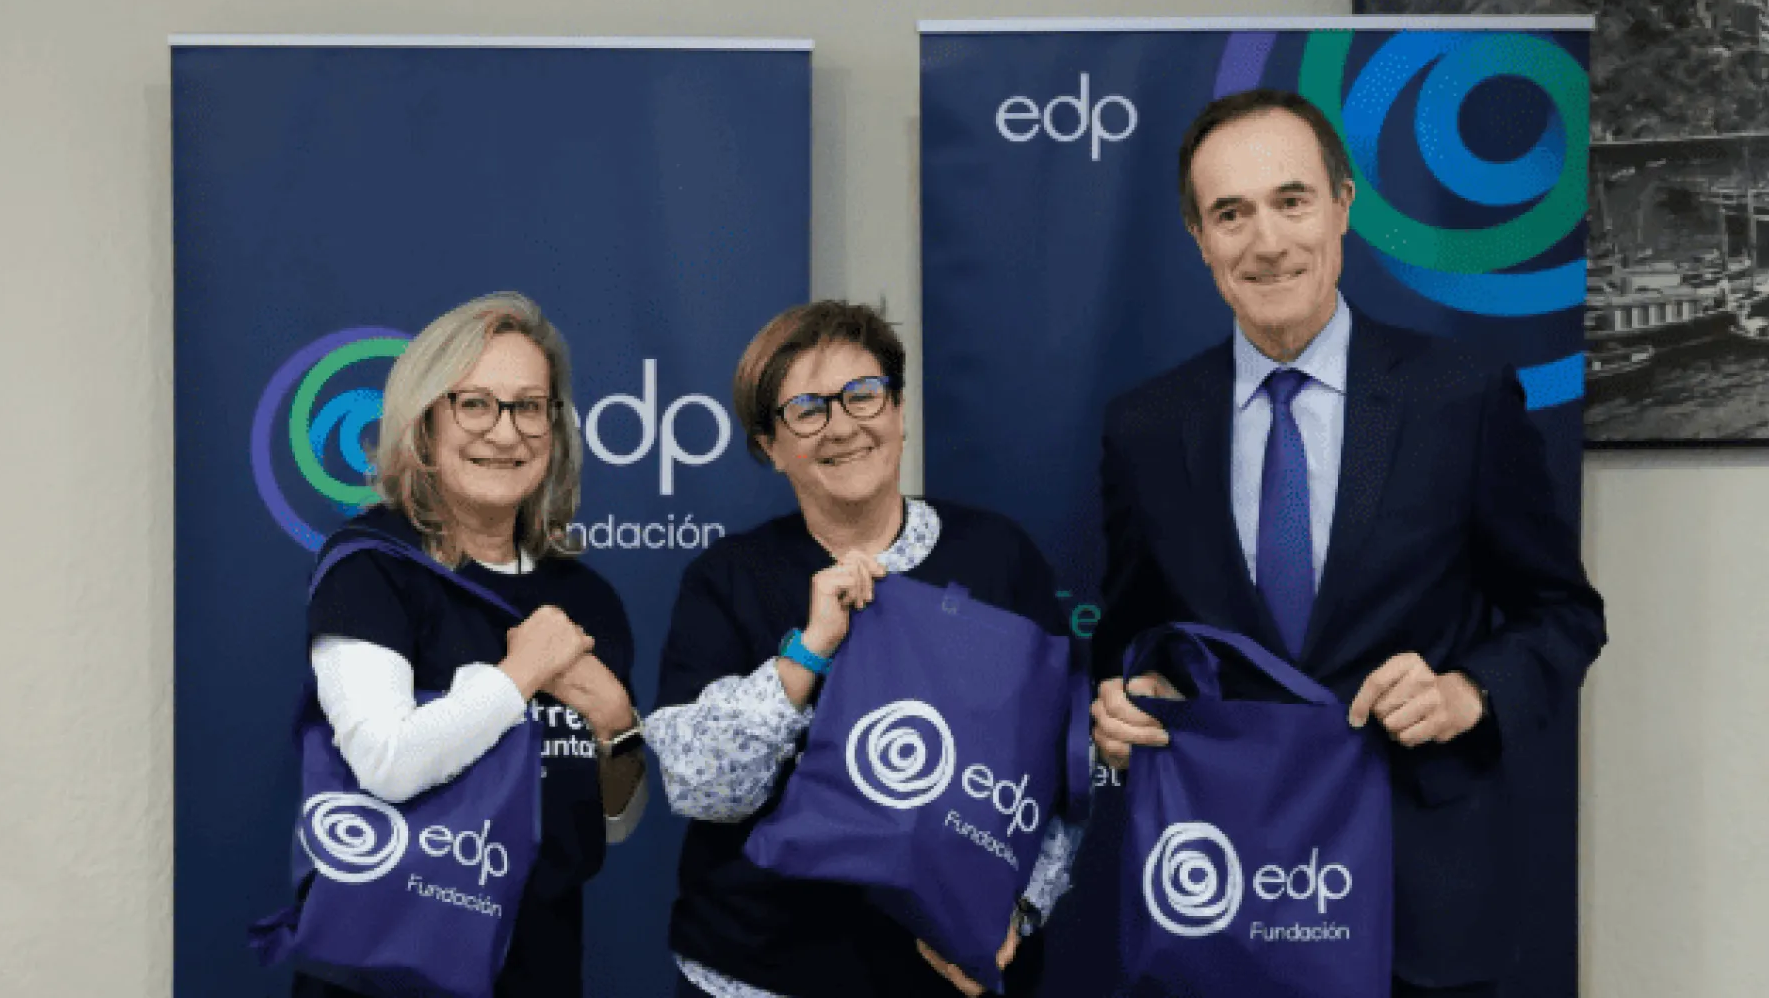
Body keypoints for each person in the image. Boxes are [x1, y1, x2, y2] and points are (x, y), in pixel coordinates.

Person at [1088, 88, 1608, 998]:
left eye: (1291, 201)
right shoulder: (1145, 428)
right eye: (1231, 214)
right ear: (1199, 239)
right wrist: (1130, 699)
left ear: (1343, 205)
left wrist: (1468, 691)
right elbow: (1130, 634)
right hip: (1222, 896)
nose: (1268, 241)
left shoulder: (1462, 397)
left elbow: (1563, 612)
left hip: (1423, 902)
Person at [644, 300, 1083, 998]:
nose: (844, 424)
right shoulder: (727, 580)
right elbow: (703, 787)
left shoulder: (1000, 556)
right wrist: (809, 653)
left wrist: (1018, 909)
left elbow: (1061, 770)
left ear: (900, 411)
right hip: (758, 976)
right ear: (769, 445)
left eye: (863, 395)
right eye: (808, 410)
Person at [295, 291, 648, 998]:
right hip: (389, 977)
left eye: (528, 406)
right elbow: (386, 764)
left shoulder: (587, 600)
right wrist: (520, 673)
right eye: (475, 404)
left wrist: (615, 720)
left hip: (542, 974)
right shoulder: (374, 567)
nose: (505, 431)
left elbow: (610, 829)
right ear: (424, 425)